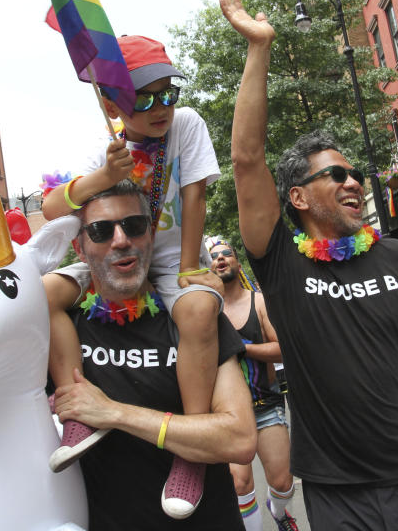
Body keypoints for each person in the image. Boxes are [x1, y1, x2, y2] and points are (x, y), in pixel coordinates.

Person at [221, 0, 398, 529]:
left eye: (354, 172)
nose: (353, 181)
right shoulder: (283, 264)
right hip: (336, 491)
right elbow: (246, 159)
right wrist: (259, 48)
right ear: (298, 197)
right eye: (334, 175)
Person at [41, 35, 222, 516]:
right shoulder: (98, 146)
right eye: (145, 97)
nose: (162, 107)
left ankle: (189, 452)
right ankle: (77, 408)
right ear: (110, 103)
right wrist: (102, 178)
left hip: (165, 257)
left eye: (169, 92)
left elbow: (195, 196)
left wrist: (187, 268)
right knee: (41, 296)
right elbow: (49, 206)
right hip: (109, 255)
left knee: (201, 307)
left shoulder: (187, 125)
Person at [49, 180, 256, 529]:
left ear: (151, 235)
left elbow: (239, 438)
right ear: (80, 248)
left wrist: (114, 413)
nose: (121, 240)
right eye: (100, 231)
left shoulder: (194, 319)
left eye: (134, 225)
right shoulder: (60, 326)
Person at [209, 240, 298, 531]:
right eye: (214, 257)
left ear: (236, 262)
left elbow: (283, 348)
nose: (221, 259)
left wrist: (243, 349)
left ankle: (278, 509)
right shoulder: (204, 309)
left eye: (226, 254)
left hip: (265, 405)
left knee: (283, 482)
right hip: (227, 414)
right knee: (240, 482)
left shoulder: (257, 301)